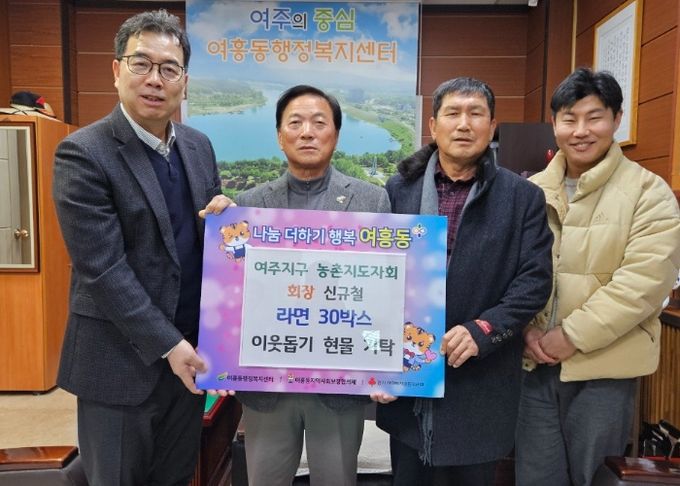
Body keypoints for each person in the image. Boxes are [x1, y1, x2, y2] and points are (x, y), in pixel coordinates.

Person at [52, 10, 232, 486]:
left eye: (169, 68)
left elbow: (204, 244)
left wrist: (228, 223)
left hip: (189, 361)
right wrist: (169, 345)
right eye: (142, 64)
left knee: (176, 477)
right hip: (118, 364)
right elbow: (103, 269)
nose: (155, 79)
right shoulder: (83, 153)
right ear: (117, 70)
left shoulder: (198, 146)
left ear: (184, 82)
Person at [374, 77, 554, 486]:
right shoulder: (398, 190)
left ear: (492, 127)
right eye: (453, 113)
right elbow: (376, 276)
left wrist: (484, 329)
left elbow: (534, 281)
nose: (464, 124)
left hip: (481, 381)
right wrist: (376, 363)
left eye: (476, 114)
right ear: (433, 126)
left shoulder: (522, 197)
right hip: (408, 382)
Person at [515, 67, 680, 486]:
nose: (581, 131)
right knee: (535, 476)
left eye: (594, 117)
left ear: (616, 119)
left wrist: (571, 336)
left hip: (603, 369)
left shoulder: (648, 192)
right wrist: (525, 331)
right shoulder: (530, 190)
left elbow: (643, 284)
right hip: (534, 364)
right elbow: (511, 270)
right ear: (554, 123)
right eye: (569, 119)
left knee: (595, 477)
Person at [234, 84, 391, 486]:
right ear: (279, 136)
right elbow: (234, 292)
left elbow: (381, 296)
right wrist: (224, 362)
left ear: (335, 134)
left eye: (319, 123)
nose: (307, 132)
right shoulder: (247, 204)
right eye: (295, 123)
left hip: (339, 384)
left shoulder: (372, 201)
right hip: (266, 383)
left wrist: (384, 364)